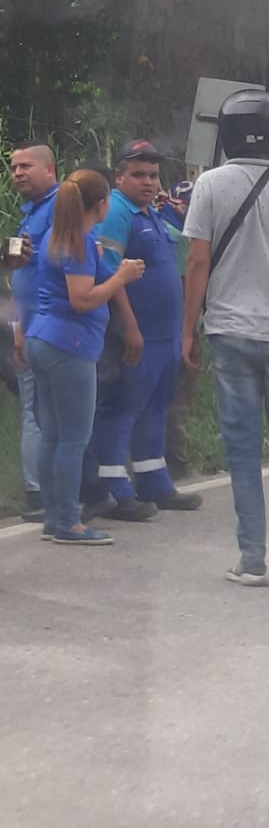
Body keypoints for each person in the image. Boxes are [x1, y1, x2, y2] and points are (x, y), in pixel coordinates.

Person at [182, 90, 269, 587]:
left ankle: (251, 560)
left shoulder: (209, 187)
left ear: (225, 134)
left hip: (229, 332)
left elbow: (197, 263)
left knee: (242, 450)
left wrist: (189, 330)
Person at [25, 169, 145, 544]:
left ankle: (54, 515)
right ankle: (67, 523)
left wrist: (116, 271)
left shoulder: (62, 237)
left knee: (53, 435)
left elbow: (100, 272)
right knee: (73, 438)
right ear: (101, 204)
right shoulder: (76, 242)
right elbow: (82, 299)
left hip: (43, 338)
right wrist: (121, 280)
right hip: (69, 345)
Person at [85, 139, 202, 520]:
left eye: (153, 174)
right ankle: (115, 490)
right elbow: (109, 273)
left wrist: (186, 331)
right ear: (119, 177)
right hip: (136, 336)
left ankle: (155, 482)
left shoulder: (152, 213)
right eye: (138, 174)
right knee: (123, 407)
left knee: (156, 406)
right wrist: (130, 327)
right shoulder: (117, 211)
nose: (148, 181)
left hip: (165, 337)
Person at [8, 142, 54, 521]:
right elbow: (13, 264)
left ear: (50, 169)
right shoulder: (29, 214)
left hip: (52, 328)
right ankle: (40, 491)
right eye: (13, 167)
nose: (18, 173)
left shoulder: (59, 208)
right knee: (35, 410)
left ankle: (53, 488)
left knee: (46, 411)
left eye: (26, 166)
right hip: (28, 326)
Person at [158, 180, 197, 479]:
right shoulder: (183, 238)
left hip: (157, 325)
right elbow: (189, 284)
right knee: (178, 396)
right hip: (180, 325)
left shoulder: (156, 223)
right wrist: (190, 330)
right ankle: (177, 462)